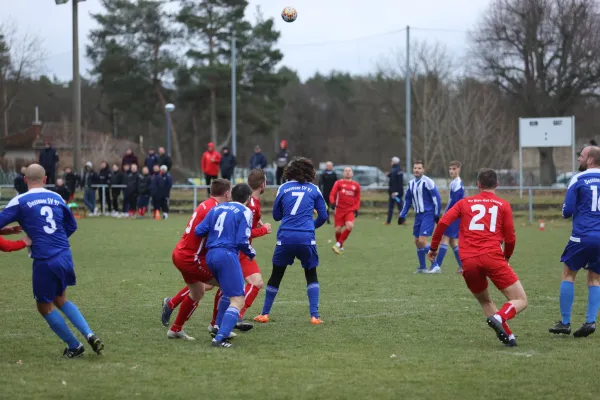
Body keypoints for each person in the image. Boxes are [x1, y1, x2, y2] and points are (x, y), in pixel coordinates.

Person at [0, 164, 104, 357]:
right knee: (60, 298)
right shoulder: (57, 197)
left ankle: (74, 346)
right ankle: (89, 334)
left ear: (24, 180)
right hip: (64, 254)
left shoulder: (20, 201)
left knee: (44, 306)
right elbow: (71, 225)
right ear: (46, 179)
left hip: (45, 259)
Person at [428, 168, 526, 347]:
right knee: (521, 300)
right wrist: (507, 257)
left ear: (478, 185)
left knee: (485, 300)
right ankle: (500, 317)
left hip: (469, 261)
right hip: (492, 257)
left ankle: (509, 337)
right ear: (497, 185)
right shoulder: (503, 205)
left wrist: (433, 247)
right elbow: (510, 238)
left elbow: (442, 222)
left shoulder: (464, 203)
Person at [254, 157, 328, 325]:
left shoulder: (284, 188)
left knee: (276, 274)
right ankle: (314, 316)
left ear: (290, 171)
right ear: (310, 172)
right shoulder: (314, 189)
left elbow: (276, 215)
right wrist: (310, 226)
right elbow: (323, 216)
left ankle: (264, 314)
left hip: (285, 237)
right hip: (306, 238)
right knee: (311, 273)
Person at [161, 179, 232, 340]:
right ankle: (217, 326)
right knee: (228, 283)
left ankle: (175, 329)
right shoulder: (216, 210)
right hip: (191, 258)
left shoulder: (205, 204)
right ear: (226, 193)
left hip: (180, 253)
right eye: (231, 191)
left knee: (198, 292)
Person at [208, 169, 272, 332]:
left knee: (250, 283)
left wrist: (258, 223)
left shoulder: (252, 203)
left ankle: (229, 317)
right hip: (238, 249)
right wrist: (264, 229)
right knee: (210, 287)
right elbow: (245, 232)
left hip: (237, 248)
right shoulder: (250, 206)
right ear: (263, 184)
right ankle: (225, 318)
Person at [194, 183, 256, 348]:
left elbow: (199, 230)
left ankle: (218, 327)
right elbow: (242, 240)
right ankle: (220, 338)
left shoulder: (217, 208)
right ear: (248, 198)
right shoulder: (246, 211)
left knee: (227, 292)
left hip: (211, 255)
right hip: (227, 255)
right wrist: (251, 253)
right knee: (238, 299)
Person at [549, 145, 600, 337]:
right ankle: (590, 321)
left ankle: (565, 323)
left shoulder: (578, 178)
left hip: (582, 235)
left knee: (568, 274)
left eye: (581, 156)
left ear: (590, 160)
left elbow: (567, 211)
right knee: (595, 278)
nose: (579, 159)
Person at [398, 160, 441, 273]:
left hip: (428, 213)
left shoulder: (428, 182)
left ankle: (435, 265)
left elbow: (437, 198)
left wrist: (436, 214)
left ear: (423, 170)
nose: (416, 170)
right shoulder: (411, 183)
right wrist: (402, 215)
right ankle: (422, 267)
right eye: (415, 168)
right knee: (417, 241)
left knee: (422, 240)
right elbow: (407, 201)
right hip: (418, 215)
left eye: (419, 168)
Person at [429, 160, 464, 274]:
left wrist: (446, 213)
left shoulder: (457, 183)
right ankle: (462, 266)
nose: (451, 171)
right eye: (450, 169)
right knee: (452, 241)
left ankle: (436, 266)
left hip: (454, 215)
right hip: (455, 215)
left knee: (444, 238)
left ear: (459, 169)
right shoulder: (455, 182)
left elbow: (454, 201)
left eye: (454, 169)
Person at [330, 167, 361, 254]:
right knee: (338, 230)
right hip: (339, 210)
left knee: (350, 226)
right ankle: (340, 246)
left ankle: (338, 245)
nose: (347, 172)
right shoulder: (338, 183)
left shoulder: (356, 185)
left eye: (349, 171)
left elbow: (358, 198)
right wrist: (332, 203)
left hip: (350, 210)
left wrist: (356, 208)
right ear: (343, 173)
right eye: (346, 171)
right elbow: (332, 194)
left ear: (352, 173)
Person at [386, 157, 404, 225]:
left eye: (391, 161)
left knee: (391, 207)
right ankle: (402, 220)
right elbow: (398, 181)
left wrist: (394, 192)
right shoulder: (398, 170)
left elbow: (394, 182)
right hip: (398, 192)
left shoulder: (394, 170)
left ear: (393, 162)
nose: (391, 162)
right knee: (400, 207)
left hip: (394, 193)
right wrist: (389, 175)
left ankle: (388, 221)